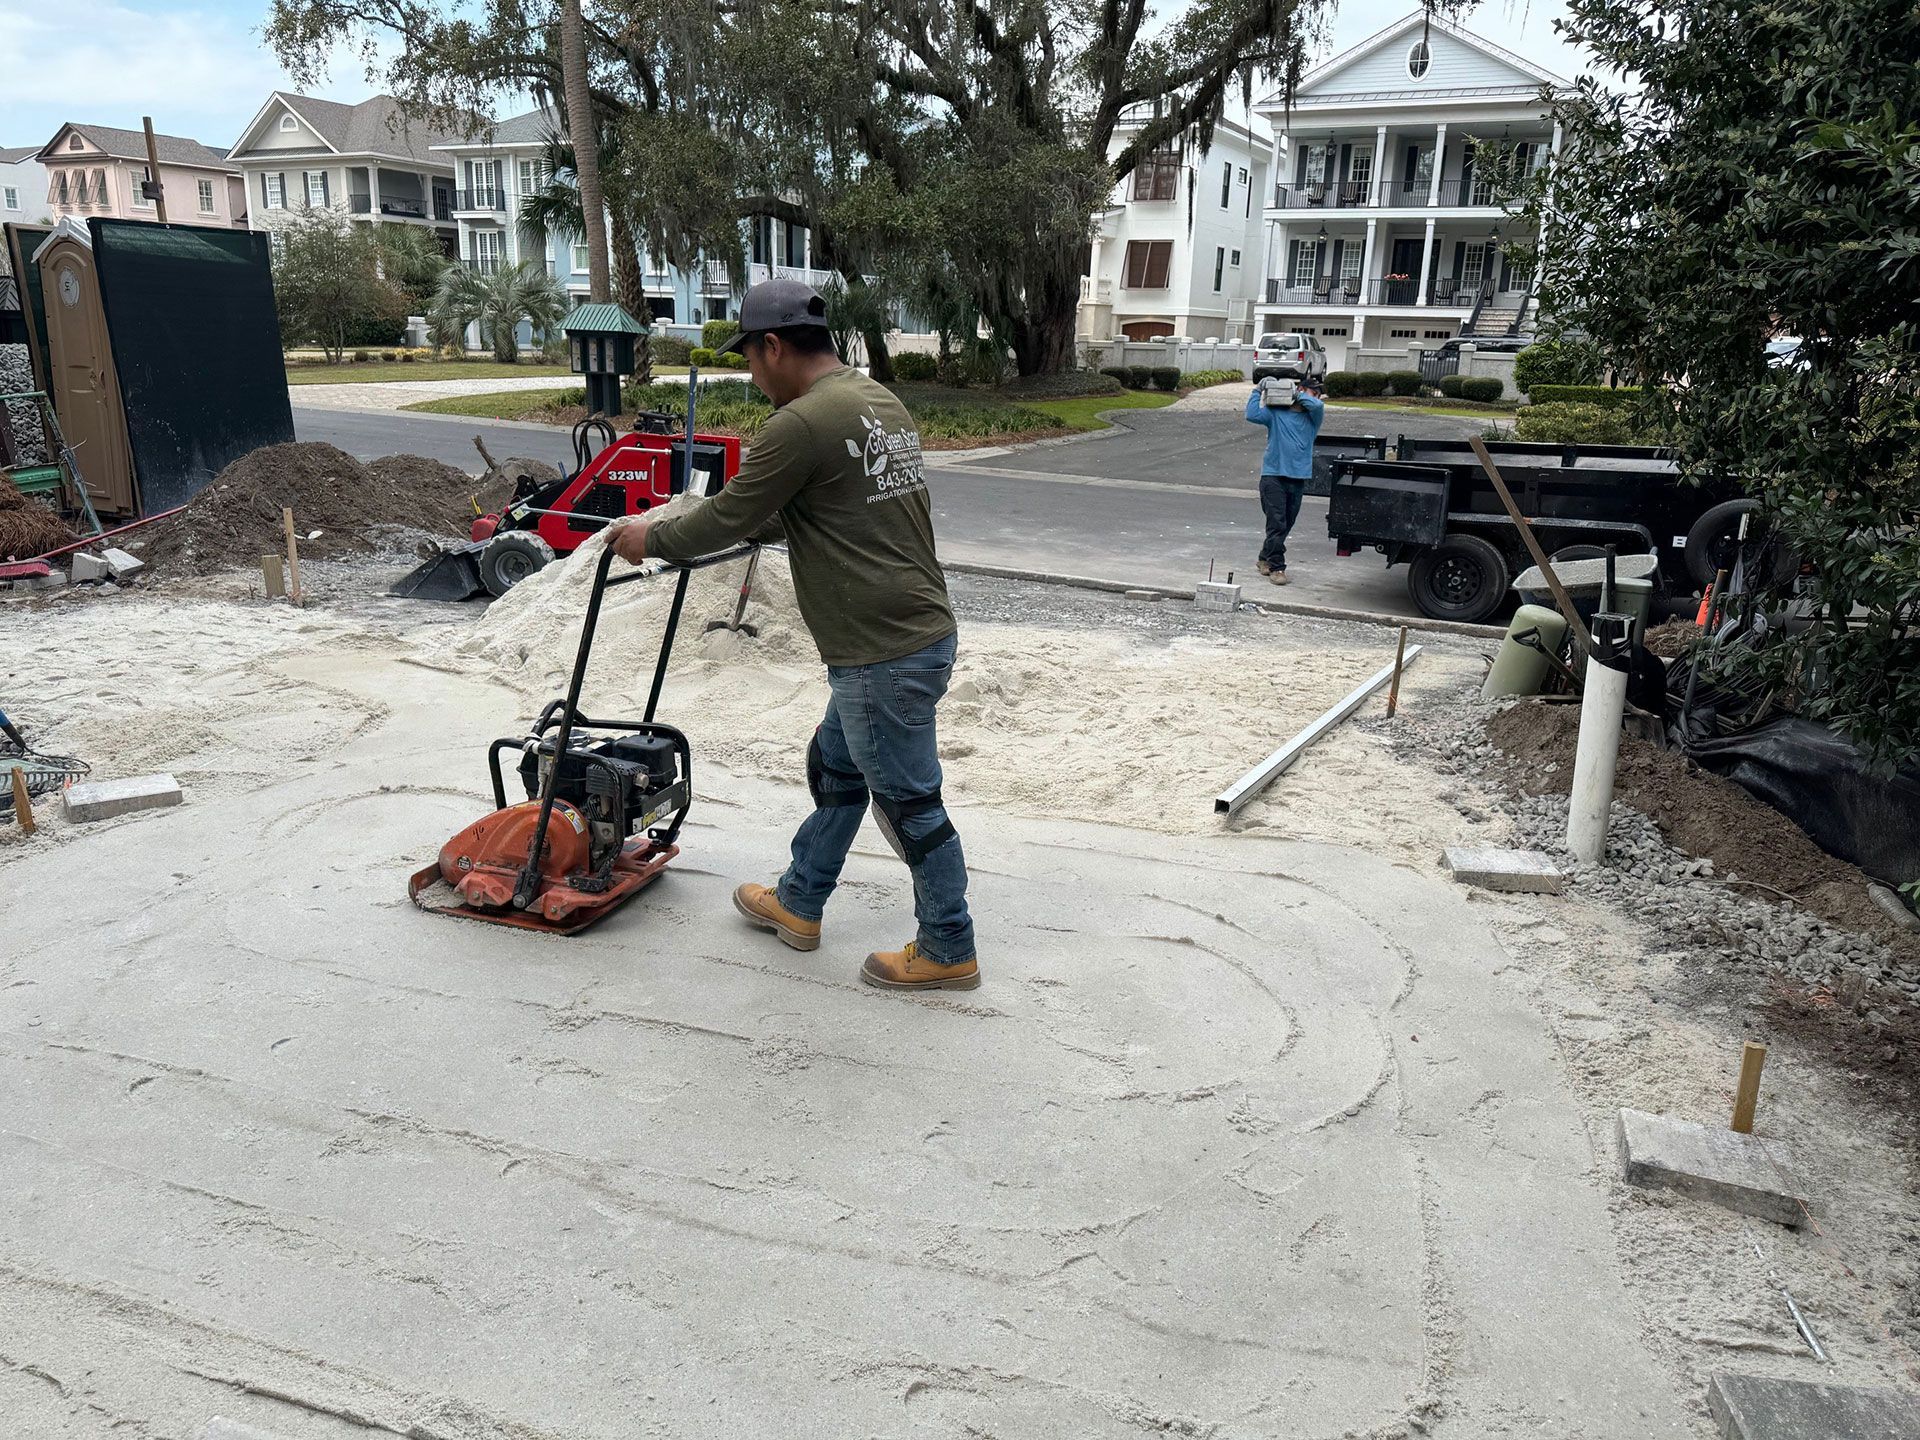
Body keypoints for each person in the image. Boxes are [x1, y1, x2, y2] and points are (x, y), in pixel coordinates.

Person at [606, 279, 979, 992]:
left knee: (909, 807)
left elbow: (724, 519)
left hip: (881, 653)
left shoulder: (801, 422)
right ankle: (800, 901)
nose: (752, 374)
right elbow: (830, 509)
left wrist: (648, 537)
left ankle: (948, 945)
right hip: (911, 634)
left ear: (772, 346)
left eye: (750, 359)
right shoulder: (877, 402)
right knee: (833, 768)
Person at [1244, 375, 1325, 585]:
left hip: (1298, 477)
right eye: (1311, 391)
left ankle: (1264, 558)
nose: (1314, 397)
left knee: (1286, 524)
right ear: (1301, 388)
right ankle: (1277, 568)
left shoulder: (1313, 415)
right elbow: (1251, 414)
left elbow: (1315, 404)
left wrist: (1294, 393)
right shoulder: (1275, 412)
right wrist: (1259, 390)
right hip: (1273, 476)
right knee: (1277, 524)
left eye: (1317, 394)